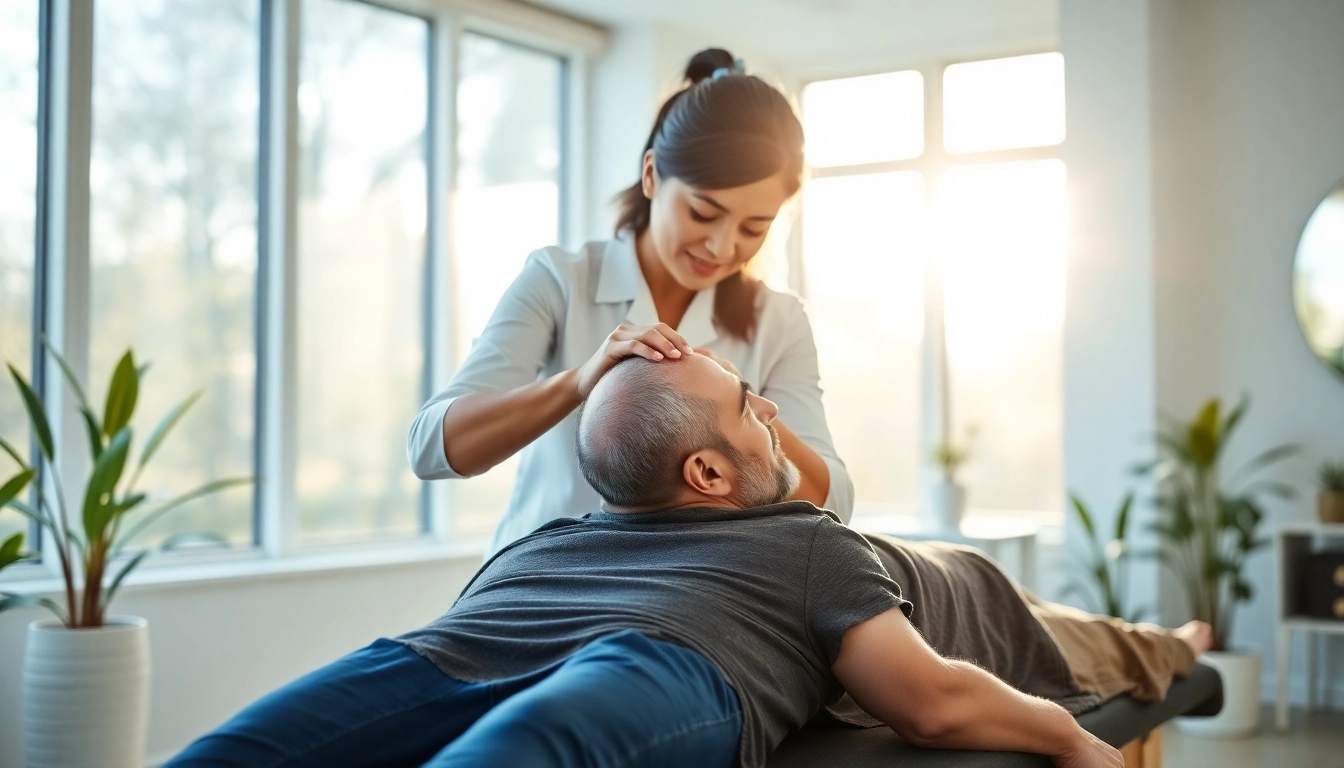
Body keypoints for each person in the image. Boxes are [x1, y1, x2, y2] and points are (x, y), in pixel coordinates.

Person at [165, 352, 1210, 768]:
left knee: (1094, 636)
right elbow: (929, 704)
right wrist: (1076, 749)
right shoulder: (802, 537)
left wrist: (1072, 728)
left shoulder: (799, 544)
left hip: (945, 592)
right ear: (707, 472)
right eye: (754, 411)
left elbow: (941, 685)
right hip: (576, 652)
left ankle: (1175, 643)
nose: (771, 418)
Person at [407, 48, 853, 554]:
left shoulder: (779, 320)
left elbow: (832, 502)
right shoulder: (560, 282)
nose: (723, 247)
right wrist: (578, 382)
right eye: (704, 213)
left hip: (692, 592)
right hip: (541, 581)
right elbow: (431, 448)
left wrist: (739, 400)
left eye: (754, 228)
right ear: (651, 177)